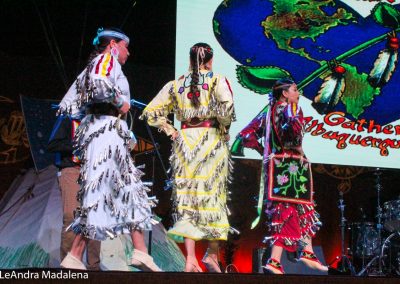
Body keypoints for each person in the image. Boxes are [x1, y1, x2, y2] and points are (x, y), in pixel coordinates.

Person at [58, 27, 160, 271]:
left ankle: (140, 250)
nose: (128, 52)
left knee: (129, 188)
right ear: (114, 44)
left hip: (108, 131)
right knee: (101, 193)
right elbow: (100, 85)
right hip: (104, 133)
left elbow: (73, 104)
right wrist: (120, 102)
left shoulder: (98, 63)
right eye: (125, 46)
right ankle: (75, 255)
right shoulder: (105, 60)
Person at [140, 43, 235, 272]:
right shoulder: (216, 79)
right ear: (209, 61)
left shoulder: (177, 84)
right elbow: (227, 108)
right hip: (210, 139)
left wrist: (171, 130)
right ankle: (211, 254)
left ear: (190, 59)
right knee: (212, 195)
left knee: (188, 197)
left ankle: (191, 258)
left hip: (185, 142)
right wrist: (224, 127)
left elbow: (151, 111)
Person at [238, 78, 327, 274]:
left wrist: (265, 151)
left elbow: (245, 135)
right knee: (296, 208)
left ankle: (299, 254)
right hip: (292, 164)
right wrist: (298, 147)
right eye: (295, 90)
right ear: (285, 93)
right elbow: (293, 133)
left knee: (288, 211)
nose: (298, 94)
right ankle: (282, 258)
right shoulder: (291, 108)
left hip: (276, 165)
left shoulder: (267, 112)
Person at [47, 114, 101, 270]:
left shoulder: (99, 120)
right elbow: (53, 145)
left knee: (95, 219)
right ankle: (69, 266)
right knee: (72, 216)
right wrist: (79, 143)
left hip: (94, 172)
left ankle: (94, 268)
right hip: (72, 170)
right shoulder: (68, 118)